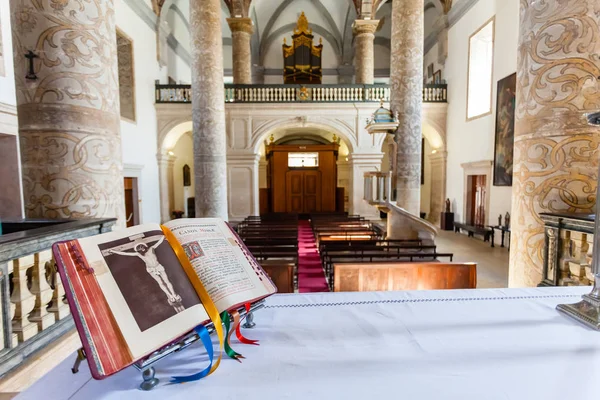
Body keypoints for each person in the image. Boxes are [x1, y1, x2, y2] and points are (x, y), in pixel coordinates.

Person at [109, 237, 184, 311]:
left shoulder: (151, 248)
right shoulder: (139, 254)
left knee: (167, 281)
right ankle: (170, 296)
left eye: (142, 247)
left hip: (158, 267)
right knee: (160, 282)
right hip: (151, 269)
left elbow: (158, 243)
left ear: (145, 246)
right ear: (138, 249)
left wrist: (163, 236)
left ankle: (174, 294)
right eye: (140, 248)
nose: (142, 249)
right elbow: (126, 254)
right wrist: (114, 251)